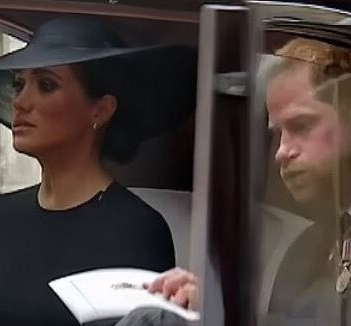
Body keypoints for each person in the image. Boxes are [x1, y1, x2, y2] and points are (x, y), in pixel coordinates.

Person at [0, 18, 197, 326]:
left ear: (100, 110)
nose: (20, 101)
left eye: (46, 85)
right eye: (18, 84)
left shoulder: (138, 230)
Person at [118, 38, 351, 325]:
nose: (281, 152)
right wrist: (209, 303)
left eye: (301, 126)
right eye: (278, 133)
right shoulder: (312, 244)